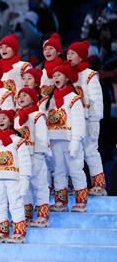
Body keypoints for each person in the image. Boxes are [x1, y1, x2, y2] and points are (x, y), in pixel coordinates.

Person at [41, 63, 88, 213]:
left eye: (59, 75)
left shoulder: (74, 98)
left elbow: (79, 122)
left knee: (75, 169)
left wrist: (76, 141)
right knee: (58, 170)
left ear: (67, 78)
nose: (56, 78)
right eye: (54, 76)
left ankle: (81, 201)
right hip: (54, 140)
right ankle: (61, 201)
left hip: (69, 140)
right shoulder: (50, 99)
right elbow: (44, 119)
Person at [0, 110, 31, 243]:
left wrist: (25, 179)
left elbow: (25, 161)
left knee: (15, 203)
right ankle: (2, 230)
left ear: (11, 121)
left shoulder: (18, 141)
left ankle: (19, 231)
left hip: (13, 178)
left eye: (4, 118)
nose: (1, 121)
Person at [67, 41, 106, 196]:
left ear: (81, 56)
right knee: (73, 153)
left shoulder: (90, 75)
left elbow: (96, 100)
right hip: (73, 122)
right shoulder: (67, 76)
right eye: (68, 53)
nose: (69, 56)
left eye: (72, 53)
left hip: (89, 120)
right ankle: (73, 185)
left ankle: (99, 185)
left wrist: (93, 120)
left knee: (90, 151)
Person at [15, 87, 50, 228]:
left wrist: (40, 154)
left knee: (39, 184)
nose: (21, 98)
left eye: (25, 95)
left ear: (33, 98)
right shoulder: (17, 118)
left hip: (35, 155)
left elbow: (42, 137)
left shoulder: (37, 115)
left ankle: (43, 215)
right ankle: (27, 214)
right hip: (22, 156)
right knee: (25, 186)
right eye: (19, 96)